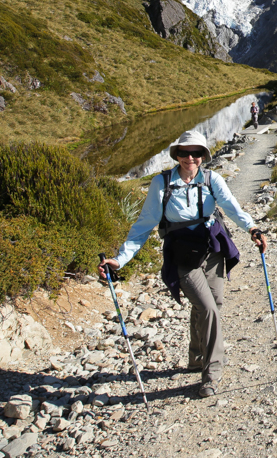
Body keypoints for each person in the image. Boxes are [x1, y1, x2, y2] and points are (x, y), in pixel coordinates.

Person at [98, 131, 266, 398]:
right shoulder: (161, 183)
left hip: (212, 249)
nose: (191, 158)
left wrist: (252, 228)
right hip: (183, 254)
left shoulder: (212, 179)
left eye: (196, 153)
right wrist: (120, 259)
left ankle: (196, 355)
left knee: (214, 304)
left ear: (203, 156)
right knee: (208, 308)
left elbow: (231, 207)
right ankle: (212, 373)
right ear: (176, 155)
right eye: (185, 153)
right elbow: (144, 224)